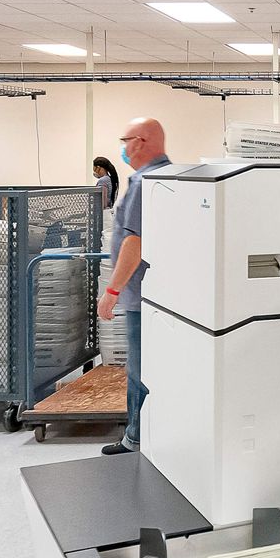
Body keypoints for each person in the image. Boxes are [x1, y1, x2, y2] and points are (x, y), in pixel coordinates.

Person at [97, 117, 171, 456]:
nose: (123, 148)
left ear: (140, 142)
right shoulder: (167, 177)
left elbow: (134, 242)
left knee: (140, 370)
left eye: (125, 141)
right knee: (152, 368)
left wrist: (111, 292)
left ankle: (136, 438)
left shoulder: (145, 183)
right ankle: (151, 434)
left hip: (141, 294)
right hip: (159, 292)